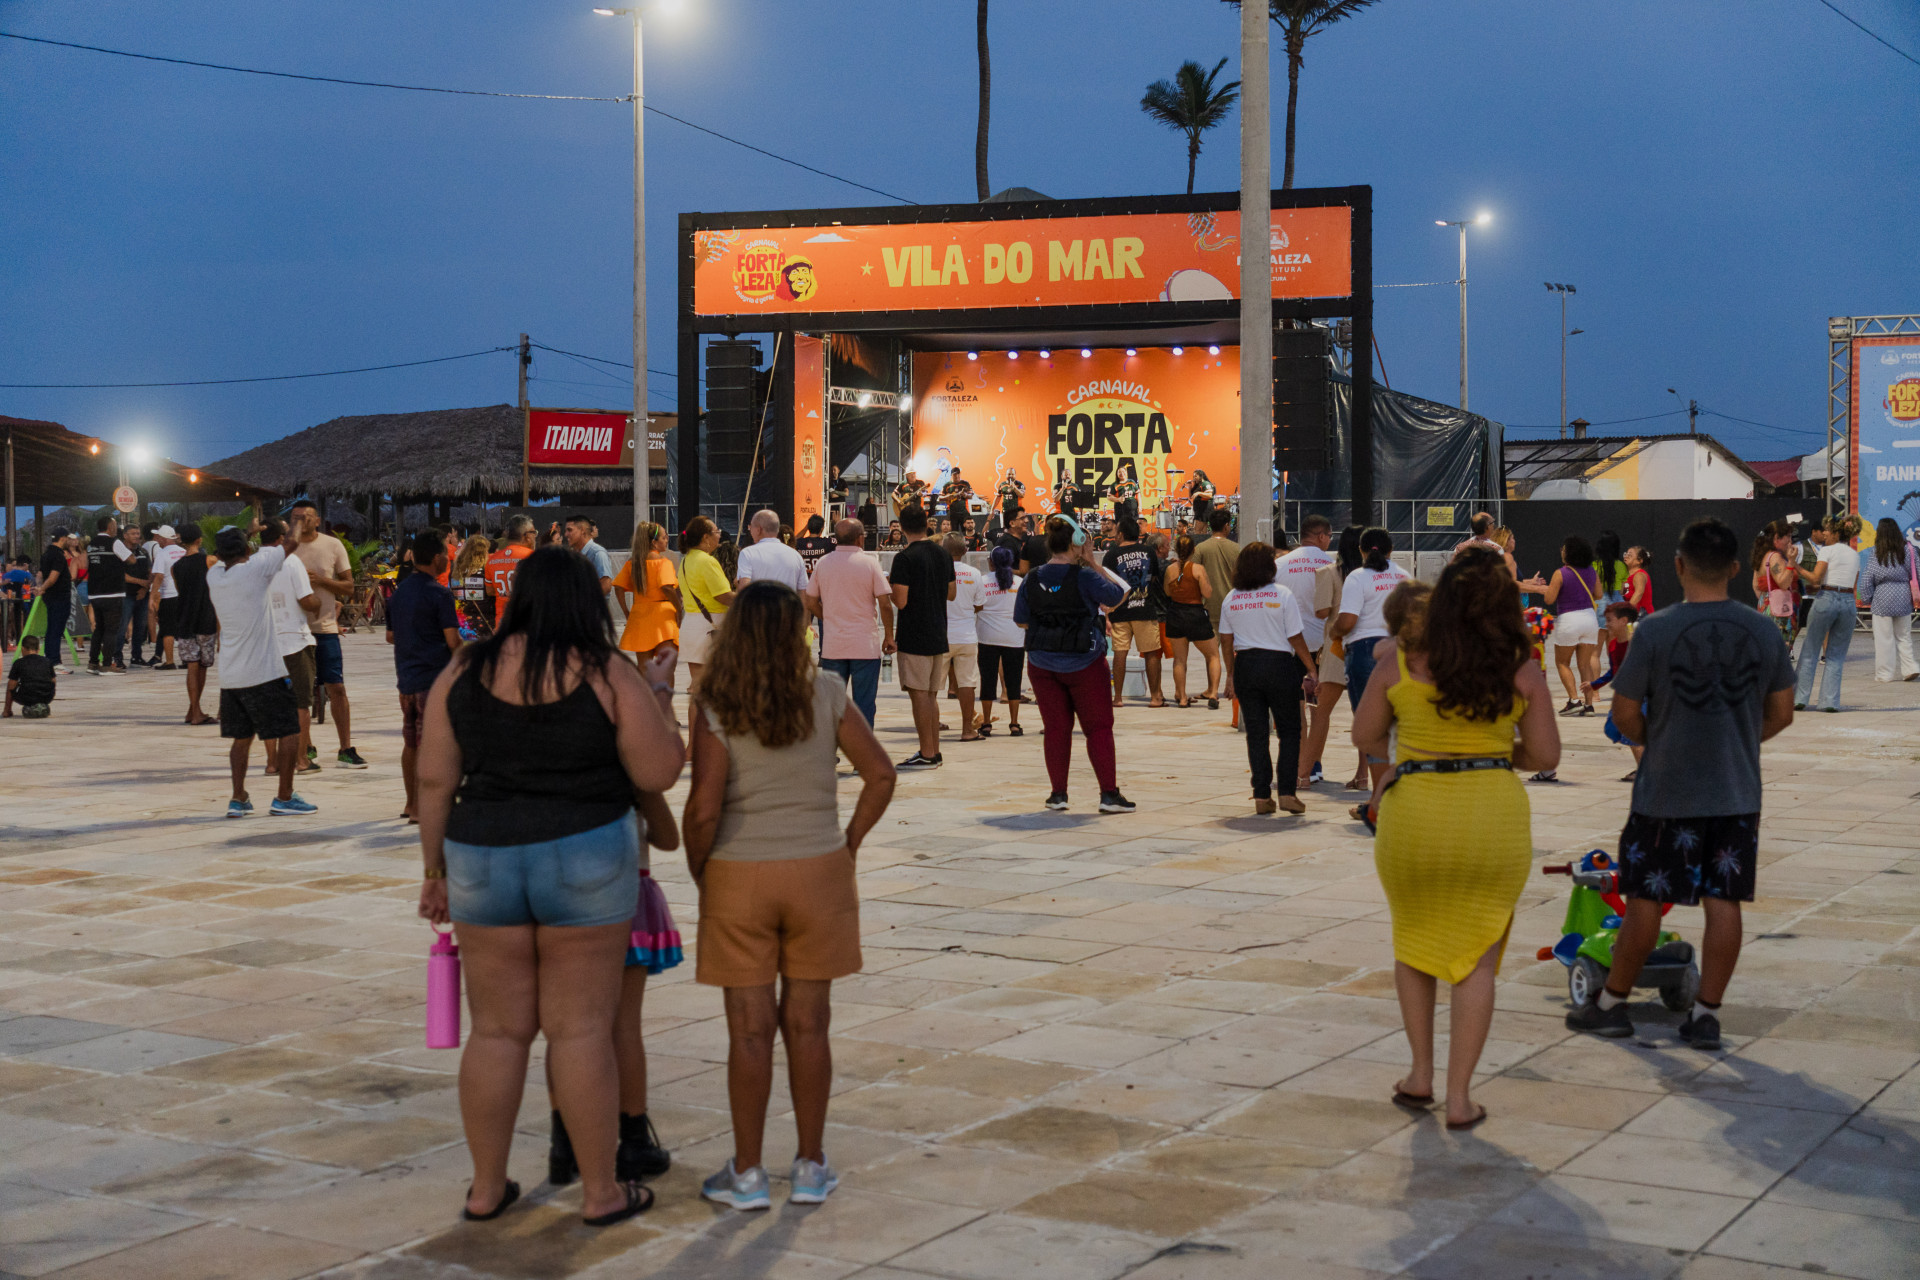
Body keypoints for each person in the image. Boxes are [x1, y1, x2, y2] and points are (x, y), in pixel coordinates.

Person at [415, 544, 682, 1227]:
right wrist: (659, 693)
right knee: (582, 1030)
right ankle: (601, 1193)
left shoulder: (464, 669)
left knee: (498, 1033)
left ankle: (485, 1188)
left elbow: (435, 779)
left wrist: (434, 870)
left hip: (483, 858)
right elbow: (656, 774)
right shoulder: (605, 671)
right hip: (586, 854)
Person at [682, 582, 895, 1211]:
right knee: (810, 1026)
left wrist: (705, 872)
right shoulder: (827, 693)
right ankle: (809, 1163)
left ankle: (746, 1173)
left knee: (749, 1032)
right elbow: (880, 774)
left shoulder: (715, 704)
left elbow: (702, 809)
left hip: (739, 875)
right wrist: (849, 843)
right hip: (819, 872)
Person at [1567, 519, 1795, 1051]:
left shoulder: (1655, 630)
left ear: (1678, 566)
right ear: (1737, 569)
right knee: (1725, 900)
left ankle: (1611, 1005)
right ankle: (1707, 1014)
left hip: (1665, 790)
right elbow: (1781, 712)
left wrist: (1663, 739)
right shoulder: (1762, 630)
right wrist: (1739, 738)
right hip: (1735, 790)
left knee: (1646, 896)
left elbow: (1624, 713)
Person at [1354, 548, 1559, 1129]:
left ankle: (1419, 1074)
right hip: (1491, 814)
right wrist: (1495, 752)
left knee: (1412, 942)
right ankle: (1461, 1096)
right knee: (1479, 958)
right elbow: (1545, 754)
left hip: (1415, 814)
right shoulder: (1521, 667)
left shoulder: (1399, 659)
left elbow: (1365, 736)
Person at [1014, 516, 1134, 813]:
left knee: (1055, 728)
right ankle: (1108, 794)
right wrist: (1092, 561)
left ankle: (1058, 794)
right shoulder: (1085, 576)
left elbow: (1021, 619)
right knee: (1099, 727)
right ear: (1077, 542)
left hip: (1042, 662)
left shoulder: (1032, 578)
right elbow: (1116, 596)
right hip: (1085, 661)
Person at [207, 523, 316, 819]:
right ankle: (284, 796)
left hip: (231, 675)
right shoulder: (256, 568)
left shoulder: (215, 575)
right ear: (245, 549)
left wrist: (249, 533)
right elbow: (291, 543)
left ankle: (238, 797)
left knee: (241, 738)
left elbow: (228, 554)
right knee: (290, 731)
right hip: (264, 672)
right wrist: (299, 521)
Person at [1219, 542, 1320, 816]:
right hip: (1279, 666)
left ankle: (1262, 795)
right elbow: (1295, 637)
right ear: (1269, 567)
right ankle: (1287, 792)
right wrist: (1311, 668)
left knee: (1257, 733)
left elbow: (1226, 642)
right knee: (1289, 731)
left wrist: (1230, 674)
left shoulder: (1232, 598)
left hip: (1246, 667)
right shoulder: (1282, 594)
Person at [387, 531, 462, 823]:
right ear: (436, 558)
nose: (448, 557)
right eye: (446, 552)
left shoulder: (399, 593)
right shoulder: (439, 593)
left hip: (406, 679)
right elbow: (453, 641)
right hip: (434, 680)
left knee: (411, 743)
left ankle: (411, 804)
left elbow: (391, 635)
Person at [1330, 528, 1411, 796]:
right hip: (1399, 653)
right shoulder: (1403, 577)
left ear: (1362, 551)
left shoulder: (1358, 578)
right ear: (1390, 551)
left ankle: (1379, 799)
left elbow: (1348, 621)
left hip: (1365, 652)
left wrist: (1334, 631)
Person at [290, 500, 367, 768]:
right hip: (294, 631)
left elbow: (348, 586)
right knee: (301, 692)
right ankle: (306, 746)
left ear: (317, 519)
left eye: (306, 517)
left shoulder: (332, 545)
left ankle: (345, 747)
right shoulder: (285, 548)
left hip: (324, 628)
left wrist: (321, 581)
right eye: (296, 517)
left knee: (337, 687)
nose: (301, 521)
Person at [803, 518, 895, 727]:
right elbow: (885, 603)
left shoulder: (823, 564)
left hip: (833, 647)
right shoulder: (870, 563)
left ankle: (828, 752)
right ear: (860, 539)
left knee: (832, 705)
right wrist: (889, 635)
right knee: (864, 705)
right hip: (865, 646)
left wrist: (827, 616)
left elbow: (809, 600)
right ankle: (863, 755)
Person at [887, 503, 956, 767]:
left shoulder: (904, 558)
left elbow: (901, 601)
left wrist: (891, 585)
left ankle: (927, 753)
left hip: (915, 632)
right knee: (931, 695)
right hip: (939, 629)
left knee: (919, 695)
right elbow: (952, 593)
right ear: (927, 522)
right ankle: (934, 751)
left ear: (901, 527)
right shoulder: (943, 554)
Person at [1278, 515, 1338, 785]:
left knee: (1295, 710)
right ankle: (1313, 765)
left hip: (1289, 648)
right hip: (1321, 650)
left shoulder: (1280, 565)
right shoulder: (1333, 565)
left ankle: (1299, 762)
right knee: (1318, 711)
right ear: (1323, 536)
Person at [260, 520, 322, 778]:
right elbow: (307, 601)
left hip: (264, 643)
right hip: (294, 639)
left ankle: (272, 761)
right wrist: (321, 603)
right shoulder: (291, 562)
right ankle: (300, 759)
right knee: (300, 703)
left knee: (270, 704)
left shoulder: (252, 563)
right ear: (281, 538)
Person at [1520, 536, 1602, 718]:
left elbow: (1549, 599)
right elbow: (1598, 594)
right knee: (1585, 664)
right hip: (1589, 619)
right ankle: (1589, 705)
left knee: (1562, 662)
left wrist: (1548, 590)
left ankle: (1573, 701)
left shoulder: (1561, 573)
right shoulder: (1591, 571)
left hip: (1569, 620)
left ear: (1569, 553)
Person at [1792, 515, 1860, 712]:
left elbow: (1815, 578)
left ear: (1836, 533)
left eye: (1828, 531)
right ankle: (1829, 702)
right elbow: (1851, 584)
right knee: (1836, 655)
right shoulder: (1854, 554)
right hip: (1848, 602)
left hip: (1827, 598)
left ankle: (1799, 699)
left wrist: (1795, 564)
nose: (1824, 534)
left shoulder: (1827, 550)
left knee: (1810, 650)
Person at [1102, 516, 1165, 707]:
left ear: (1121, 534)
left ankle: (1118, 698)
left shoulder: (1111, 555)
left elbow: (1107, 584)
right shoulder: (1148, 552)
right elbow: (1153, 577)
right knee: (1152, 653)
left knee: (1120, 653)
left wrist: (1107, 613)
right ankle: (1155, 697)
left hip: (1119, 611)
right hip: (1145, 609)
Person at [613, 521, 682, 684]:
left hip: (640, 616)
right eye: (664, 538)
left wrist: (626, 612)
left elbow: (617, 587)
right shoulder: (663, 563)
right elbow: (666, 587)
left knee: (644, 668)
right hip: (662, 616)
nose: (667, 540)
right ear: (654, 542)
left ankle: (646, 705)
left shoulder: (633, 564)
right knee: (666, 668)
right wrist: (678, 610)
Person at [1584, 603, 1645, 781]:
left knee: (1632, 735)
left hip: (1638, 696)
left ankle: (1644, 772)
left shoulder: (1637, 643)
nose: (1606, 623)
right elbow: (1613, 671)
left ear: (1624, 620)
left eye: (1610, 620)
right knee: (1614, 729)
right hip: (1624, 695)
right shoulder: (1612, 646)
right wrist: (1594, 685)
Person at [169, 526, 221, 726]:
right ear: (199, 540)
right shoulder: (210, 561)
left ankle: (193, 710)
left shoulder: (176, 566)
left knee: (192, 665)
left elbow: (179, 589)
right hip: (205, 617)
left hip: (184, 618)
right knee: (202, 666)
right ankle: (195, 711)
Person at [1162, 534, 1220, 708]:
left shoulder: (1170, 569)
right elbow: (1207, 593)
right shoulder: (1198, 569)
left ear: (1176, 549)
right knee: (1213, 655)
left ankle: (1182, 697)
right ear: (1193, 550)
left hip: (1175, 614)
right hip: (1195, 614)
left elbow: (1167, 592)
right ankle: (1214, 694)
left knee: (1179, 660)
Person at [1857, 517, 1918, 682]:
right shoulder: (1908, 549)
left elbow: (1868, 576)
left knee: (1884, 639)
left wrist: (1866, 597)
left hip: (1883, 596)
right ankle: (1910, 667)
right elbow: (1917, 571)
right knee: (1904, 635)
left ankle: (1885, 674)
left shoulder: (1877, 551)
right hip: (1903, 595)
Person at [678, 517, 735, 689]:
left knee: (697, 688)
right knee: (718, 688)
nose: (719, 535)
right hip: (711, 626)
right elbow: (723, 596)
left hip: (691, 625)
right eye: (716, 531)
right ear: (705, 537)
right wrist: (749, 597)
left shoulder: (686, 560)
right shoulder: (707, 561)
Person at [975, 545, 1026, 736]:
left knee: (987, 680)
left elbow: (977, 606)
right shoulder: (1019, 582)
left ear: (991, 562)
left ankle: (986, 722)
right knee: (1014, 681)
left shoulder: (982, 581)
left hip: (987, 637)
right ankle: (1014, 723)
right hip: (1014, 637)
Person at [943, 533, 984, 742]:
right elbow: (980, 604)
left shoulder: (936, 571)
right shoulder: (974, 573)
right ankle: (967, 729)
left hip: (941, 635)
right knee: (967, 683)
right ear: (965, 551)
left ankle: (932, 725)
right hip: (967, 634)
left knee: (931, 686)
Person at [84, 516, 134, 674]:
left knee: (99, 629)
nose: (116, 528)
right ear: (109, 527)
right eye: (114, 525)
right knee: (111, 630)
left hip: (94, 593)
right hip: (112, 592)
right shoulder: (114, 542)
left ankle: (93, 663)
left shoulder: (91, 544)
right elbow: (131, 559)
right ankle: (107, 664)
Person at [1192, 508, 1241, 659]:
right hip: (1234, 605)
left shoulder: (1200, 549)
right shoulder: (1237, 549)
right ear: (1227, 525)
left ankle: (1213, 683)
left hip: (1209, 606)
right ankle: (1233, 679)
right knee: (1235, 649)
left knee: (1212, 656)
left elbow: (1193, 576)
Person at [734, 509, 807, 595]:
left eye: (751, 527)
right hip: (788, 607)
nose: (750, 531)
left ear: (758, 530)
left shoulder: (747, 553)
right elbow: (803, 593)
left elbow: (744, 588)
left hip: (759, 607)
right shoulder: (796, 556)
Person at [1751, 523, 1798, 646]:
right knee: (1780, 650)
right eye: (1788, 536)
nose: (1790, 540)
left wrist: (1766, 601)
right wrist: (1792, 561)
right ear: (1777, 538)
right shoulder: (1775, 557)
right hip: (1779, 612)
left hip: (1765, 607)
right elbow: (1783, 583)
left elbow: (1755, 585)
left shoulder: (1762, 556)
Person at [484, 516, 537, 626]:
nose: (535, 535)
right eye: (534, 532)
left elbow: (490, 591)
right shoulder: (534, 558)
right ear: (526, 536)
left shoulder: (492, 559)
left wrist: (506, 593)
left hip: (502, 623)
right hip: (527, 624)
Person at [37, 528, 75, 672]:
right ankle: (54, 661)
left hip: (50, 597)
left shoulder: (46, 554)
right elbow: (53, 577)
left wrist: (40, 587)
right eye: (68, 539)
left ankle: (50, 659)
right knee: (56, 629)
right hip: (59, 596)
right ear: (63, 538)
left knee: (52, 629)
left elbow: (40, 574)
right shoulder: (59, 556)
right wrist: (43, 588)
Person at [148, 526, 185, 669]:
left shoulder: (162, 554)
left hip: (168, 595)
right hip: (182, 595)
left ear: (163, 538)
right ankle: (187, 660)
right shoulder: (183, 552)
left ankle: (169, 661)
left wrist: (152, 597)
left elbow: (159, 576)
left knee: (167, 629)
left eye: (158, 537)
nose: (157, 540)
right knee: (183, 629)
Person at [120, 524, 152, 666]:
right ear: (125, 535)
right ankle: (117, 657)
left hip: (142, 595)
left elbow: (150, 571)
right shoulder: (120, 552)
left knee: (140, 627)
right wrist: (141, 582)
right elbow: (120, 575)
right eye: (133, 533)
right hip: (126, 594)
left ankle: (137, 656)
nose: (136, 536)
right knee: (122, 627)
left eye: (138, 533)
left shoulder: (143, 551)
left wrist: (145, 589)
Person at [562, 515, 616, 599]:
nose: (566, 534)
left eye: (569, 530)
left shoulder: (598, 553)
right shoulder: (575, 555)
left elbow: (606, 586)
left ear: (582, 531)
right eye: (566, 531)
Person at [3, 635, 55, 718]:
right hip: (47, 697)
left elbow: (11, 685)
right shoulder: (47, 661)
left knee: (11, 684)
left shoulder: (19, 663)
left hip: (27, 697)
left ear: (23, 649)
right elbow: (53, 681)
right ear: (38, 649)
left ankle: (7, 711)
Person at [1594, 530, 1627, 606]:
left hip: (1599, 603)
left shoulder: (1593, 565)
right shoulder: (1622, 565)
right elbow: (1622, 591)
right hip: (1619, 603)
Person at [1623, 545, 1654, 615]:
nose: (1626, 556)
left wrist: (1627, 611)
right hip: (1633, 613)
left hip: (1642, 614)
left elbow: (1639, 593)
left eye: (1630, 555)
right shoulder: (1626, 575)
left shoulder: (1639, 575)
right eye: (1625, 554)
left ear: (1639, 561)